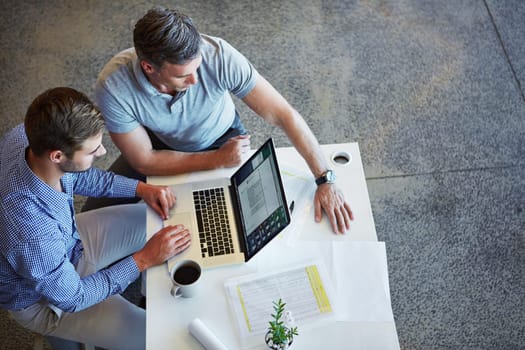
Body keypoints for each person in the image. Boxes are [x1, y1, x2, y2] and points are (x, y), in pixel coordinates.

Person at [84, 7, 353, 234]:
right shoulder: (114, 86)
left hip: (223, 140)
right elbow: (144, 159)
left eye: (197, 67)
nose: (195, 80)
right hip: (157, 144)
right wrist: (215, 161)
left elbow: (283, 114)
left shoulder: (219, 55)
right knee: (91, 219)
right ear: (148, 67)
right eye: (182, 76)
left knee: (230, 228)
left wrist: (325, 178)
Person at [0, 87, 191, 350]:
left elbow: (78, 175)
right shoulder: (31, 231)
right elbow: (74, 297)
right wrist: (145, 258)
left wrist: (141, 189)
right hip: (46, 299)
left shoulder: (26, 136)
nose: (102, 152)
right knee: (161, 339)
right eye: (92, 151)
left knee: (159, 219)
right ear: (57, 155)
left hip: (67, 242)